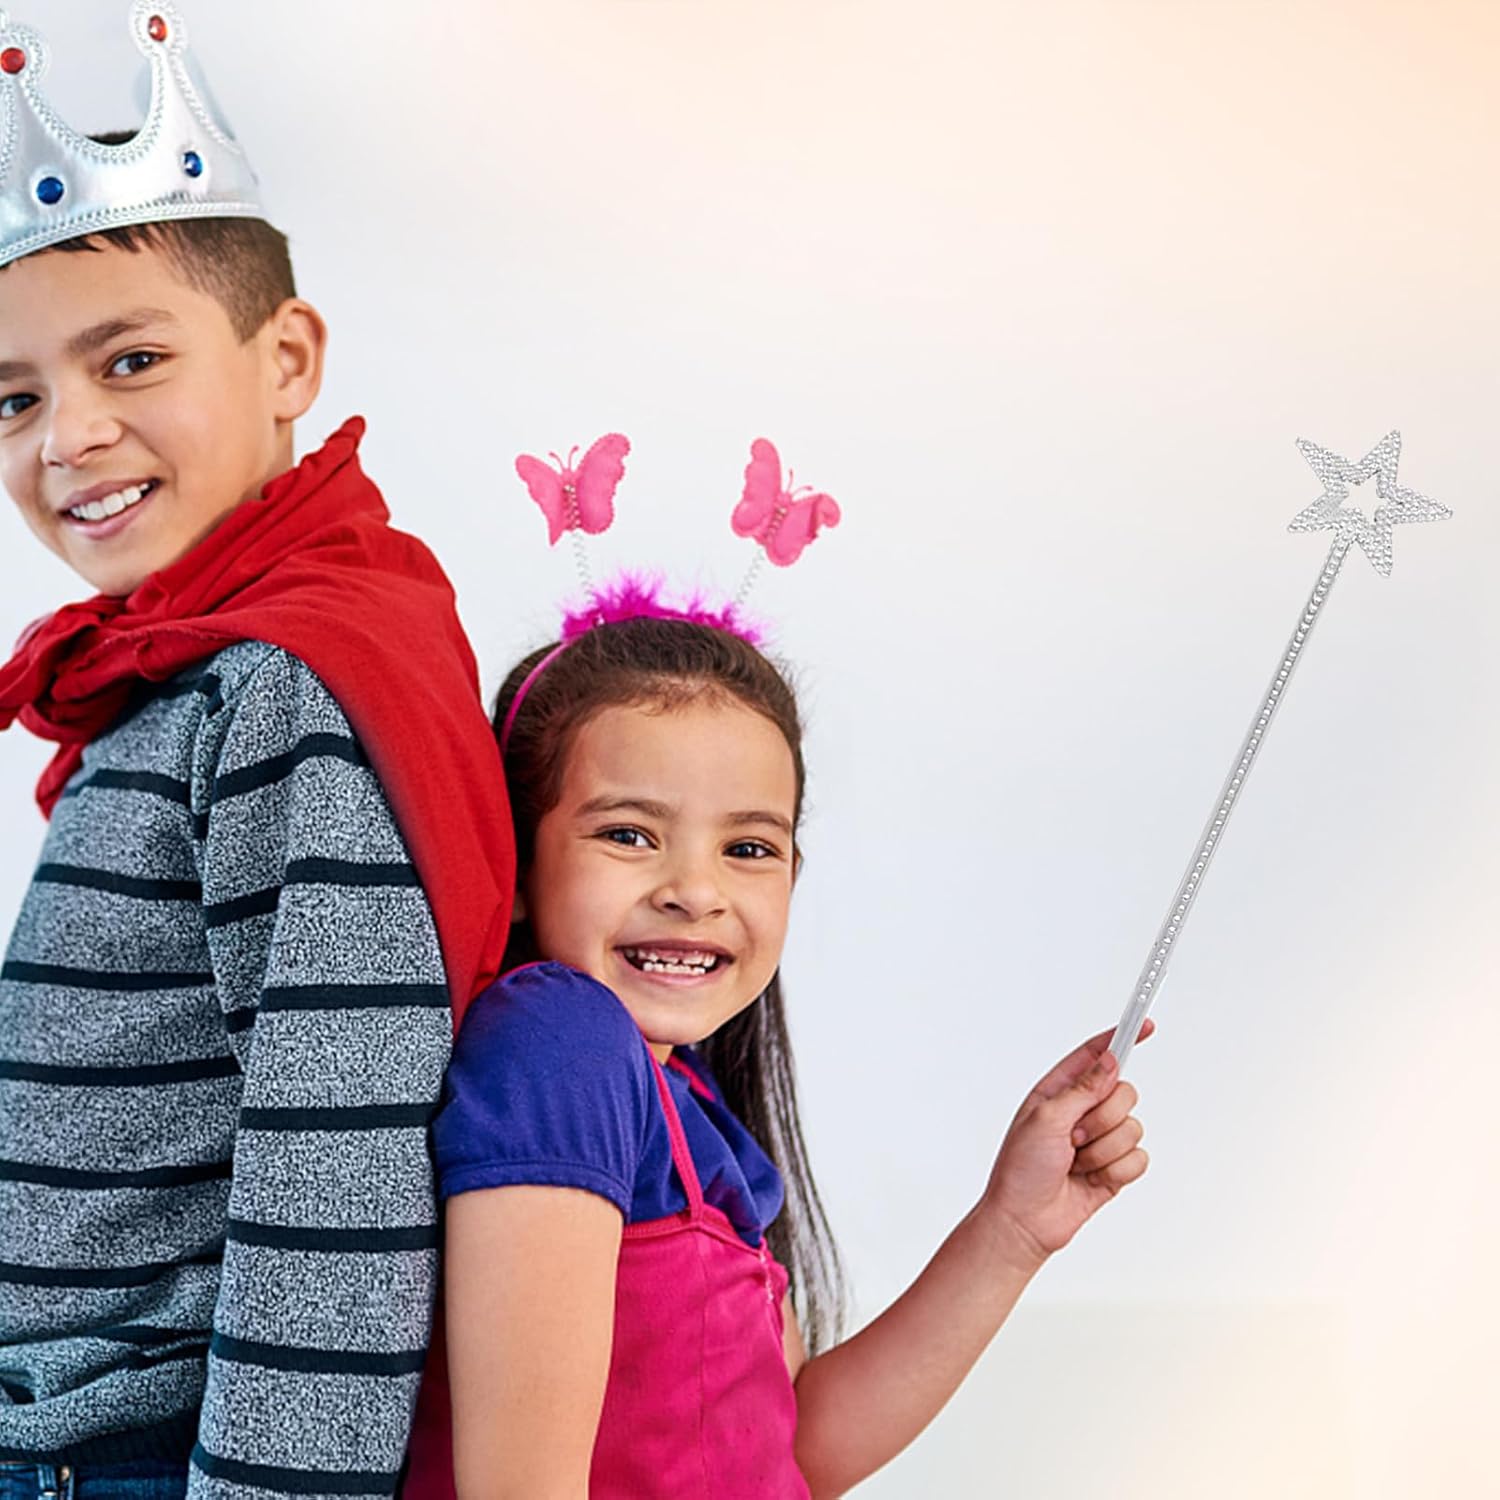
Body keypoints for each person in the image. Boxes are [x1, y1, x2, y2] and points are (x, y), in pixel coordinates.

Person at [0, 6, 512, 1495]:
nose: (66, 438)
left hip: (141, 1464)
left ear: (286, 358)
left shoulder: (281, 689)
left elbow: (336, 1172)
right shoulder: (178, 669)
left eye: (130, 360)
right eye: (14, 398)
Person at [407, 603, 1150, 1498]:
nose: (695, 890)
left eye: (748, 847)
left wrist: (1012, 1230)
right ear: (518, 864)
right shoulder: (562, 1043)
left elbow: (794, 1452)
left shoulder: (692, 1103)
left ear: (793, 874)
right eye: (629, 834)